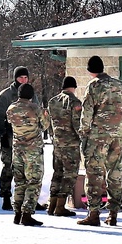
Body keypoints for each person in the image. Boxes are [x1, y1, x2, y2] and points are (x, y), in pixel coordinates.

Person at [76, 55, 122, 227]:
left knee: (94, 173)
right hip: (118, 134)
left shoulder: (94, 85)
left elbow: (87, 111)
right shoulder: (119, 85)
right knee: (115, 173)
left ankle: (94, 213)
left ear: (90, 70)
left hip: (99, 135)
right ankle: (113, 214)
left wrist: (83, 132)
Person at [6, 83, 51, 226]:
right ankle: (27, 213)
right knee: (34, 181)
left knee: (20, 182)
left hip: (17, 150)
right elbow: (44, 126)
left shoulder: (11, 108)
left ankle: (17, 213)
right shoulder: (35, 108)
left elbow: (10, 123)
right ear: (31, 95)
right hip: (33, 151)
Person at [46, 76, 83, 217]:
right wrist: (84, 140)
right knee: (70, 175)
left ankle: (52, 204)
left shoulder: (52, 101)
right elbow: (77, 125)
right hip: (71, 145)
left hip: (57, 144)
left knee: (57, 173)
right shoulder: (74, 102)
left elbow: (49, 123)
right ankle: (60, 206)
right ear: (73, 87)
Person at [0, 66, 29, 211]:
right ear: (15, 78)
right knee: (8, 167)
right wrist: (1, 134)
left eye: (26, 78)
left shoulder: (30, 93)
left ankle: (27, 199)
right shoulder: (6, 95)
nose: (23, 80)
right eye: (21, 77)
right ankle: (6, 197)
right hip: (9, 136)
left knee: (27, 169)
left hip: (27, 138)